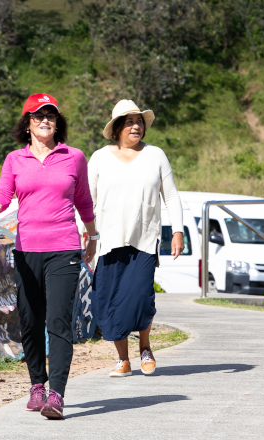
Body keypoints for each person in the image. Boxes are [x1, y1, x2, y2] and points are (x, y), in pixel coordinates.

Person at [0, 93, 98, 420]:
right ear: (28, 123)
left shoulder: (74, 157)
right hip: (26, 249)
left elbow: (84, 201)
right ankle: (37, 384)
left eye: (50, 115)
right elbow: (3, 194)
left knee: (58, 321)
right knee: (31, 320)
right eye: (38, 116)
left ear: (57, 122)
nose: (45, 120)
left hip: (64, 247)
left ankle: (57, 395)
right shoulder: (14, 160)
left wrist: (92, 235)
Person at [88, 99, 184, 378]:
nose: (136, 126)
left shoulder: (156, 155)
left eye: (139, 121)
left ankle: (145, 346)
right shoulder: (99, 158)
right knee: (110, 300)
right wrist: (87, 235)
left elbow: (172, 196)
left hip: (144, 240)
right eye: (129, 121)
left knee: (142, 297)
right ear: (117, 127)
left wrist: (177, 231)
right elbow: (87, 202)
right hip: (108, 241)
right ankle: (122, 359)